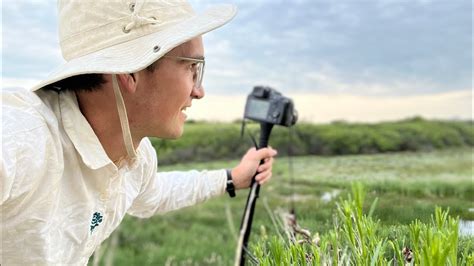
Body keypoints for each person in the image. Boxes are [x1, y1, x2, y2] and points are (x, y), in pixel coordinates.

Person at [0, 0, 278, 264]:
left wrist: (232, 178)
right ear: (131, 72)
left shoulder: (136, 159)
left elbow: (155, 194)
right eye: (192, 68)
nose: (199, 91)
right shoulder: (24, 140)